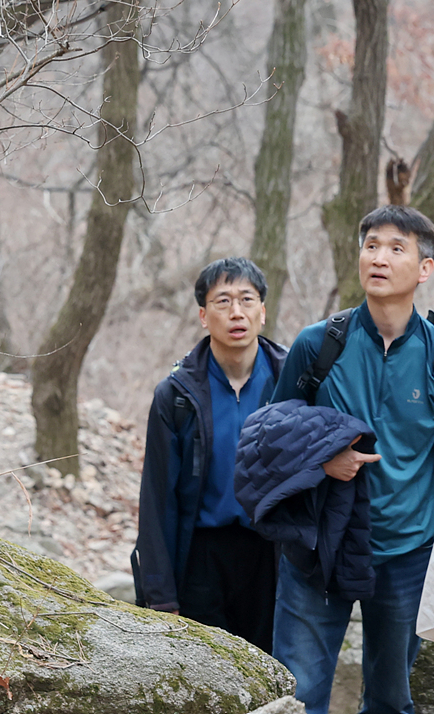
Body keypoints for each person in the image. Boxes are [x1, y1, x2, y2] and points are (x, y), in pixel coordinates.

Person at [266, 206, 434, 714]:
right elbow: (269, 439)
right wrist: (322, 460)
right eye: (371, 246)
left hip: (407, 555)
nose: (379, 258)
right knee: (297, 696)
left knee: (390, 700)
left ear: (425, 269)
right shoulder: (318, 345)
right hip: (319, 549)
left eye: (396, 248)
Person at [133, 256, 285, 651]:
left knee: (270, 674)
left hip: (272, 553)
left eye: (247, 299)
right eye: (223, 301)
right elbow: (157, 500)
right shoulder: (177, 395)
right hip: (201, 554)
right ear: (203, 316)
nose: (237, 312)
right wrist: (160, 595)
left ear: (263, 312)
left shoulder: (291, 382)